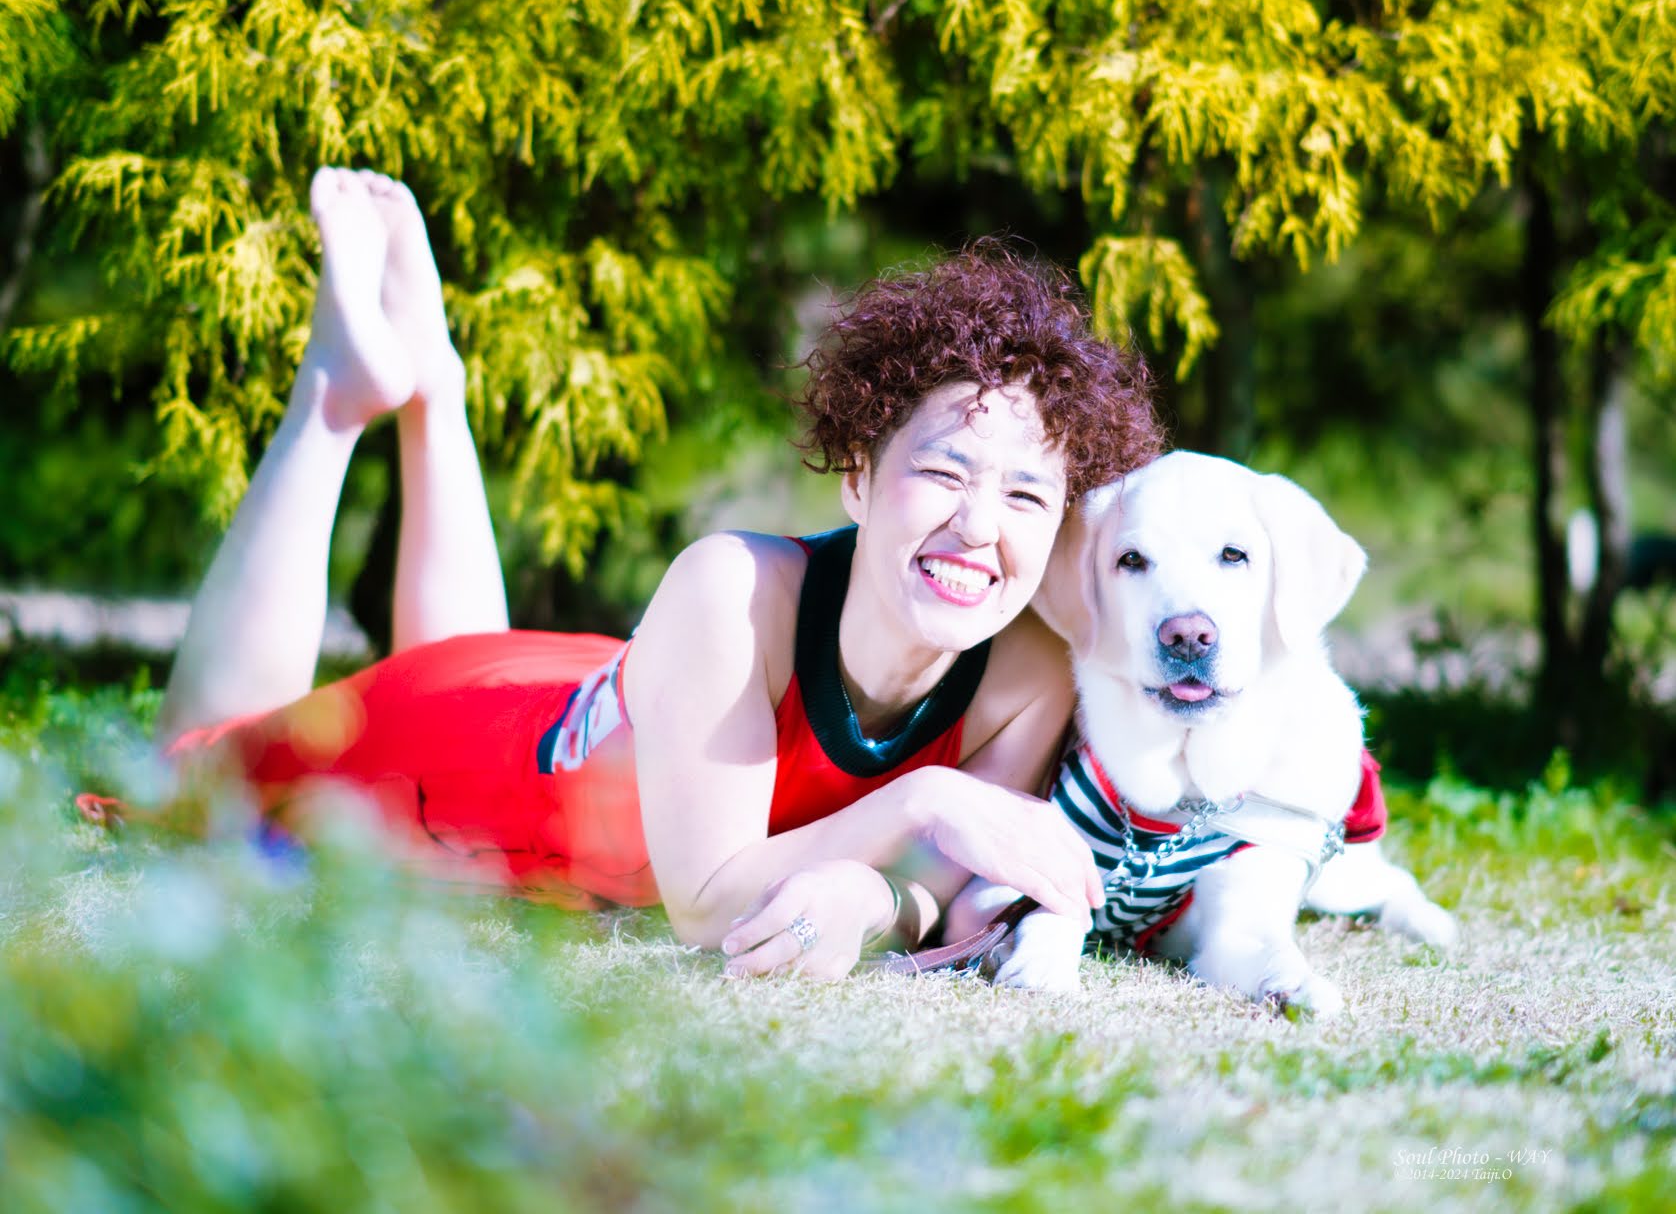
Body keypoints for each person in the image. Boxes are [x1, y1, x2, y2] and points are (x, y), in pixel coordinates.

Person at [142, 167, 1163, 979]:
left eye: (1026, 496)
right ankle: (333, 390)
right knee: (189, 767)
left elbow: (941, 889)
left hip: (593, 695)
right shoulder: (731, 589)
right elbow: (709, 900)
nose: (979, 526)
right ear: (857, 477)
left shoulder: (1027, 668)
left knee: (471, 651)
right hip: (474, 760)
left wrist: (872, 900)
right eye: (942, 471)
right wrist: (921, 801)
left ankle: (434, 386)